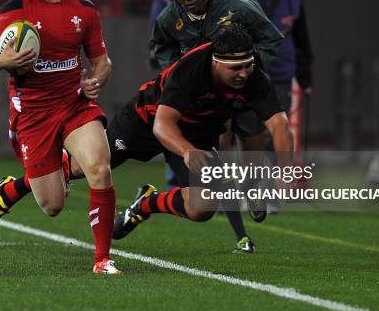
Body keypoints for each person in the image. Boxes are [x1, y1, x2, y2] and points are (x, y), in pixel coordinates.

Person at [69, 23, 293, 251]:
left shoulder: (254, 78)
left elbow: (279, 125)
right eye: (236, 68)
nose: (244, 73)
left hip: (198, 132)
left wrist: (285, 172)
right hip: (146, 120)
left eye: (248, 66)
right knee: (78, 168)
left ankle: (145, 204)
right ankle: (34, 178)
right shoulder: (191, 70)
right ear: (216, 62)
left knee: (202, 207)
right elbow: (162, 125)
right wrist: (187, 151)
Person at [0, 0, 120, 275]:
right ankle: (11, 189)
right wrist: (4, 60)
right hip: (34, 115)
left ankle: (102, 259)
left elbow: (102, 61)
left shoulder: (83, 10)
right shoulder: (13, 10)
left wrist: (95, 81)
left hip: (74, 105)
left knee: (99, 166)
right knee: (53, 205)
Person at [148, 0, 285, 249]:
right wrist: (178, 74)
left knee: (253, 138)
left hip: (240, 86)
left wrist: (249, 71)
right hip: (204, 94)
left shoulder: (236, 6)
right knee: (218, 143)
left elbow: (271, 37)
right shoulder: (170, 16)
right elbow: (160, 47)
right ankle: (226, 199)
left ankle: (253, 188)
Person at [149, 0, 217, 192]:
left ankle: (212, 181)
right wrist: (172, 70)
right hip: (179, 74)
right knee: (174, 123)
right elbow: (158, 34)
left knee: (215, 127)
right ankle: (176, 181)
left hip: (212, 75)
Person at [244, 0, 313, 115]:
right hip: (246, 74)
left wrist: (305, 78)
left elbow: (301, 37)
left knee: (277, 131)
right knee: (250, 134)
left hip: (280, 74)